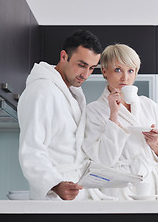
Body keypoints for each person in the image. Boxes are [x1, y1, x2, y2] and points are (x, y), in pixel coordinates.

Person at [83, 44, 158, 200]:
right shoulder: (94, 111)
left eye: (130, 71)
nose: (125, 78)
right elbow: (102, 160)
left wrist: (155, 143)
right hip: (118, 190)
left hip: (151, 187)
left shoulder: (149, 106)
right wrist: (113, 114)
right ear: (105, 71)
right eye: (118, 70)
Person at [18, 30, 103, 200]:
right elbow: (31, 149)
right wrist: (55, 184)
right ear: (64, 56)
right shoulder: (42, 91)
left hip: (75, 192)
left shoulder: (71, 93)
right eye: (81, 65)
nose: (85, 75)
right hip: (56, 195)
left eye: (92, 68)